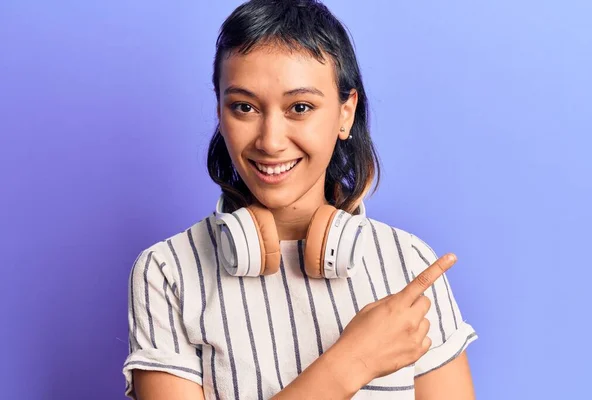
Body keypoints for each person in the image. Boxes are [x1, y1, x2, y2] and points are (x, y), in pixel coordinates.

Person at [122, 0, 478, 398]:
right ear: (220, 113)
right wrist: (353, 361)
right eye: (244, 107)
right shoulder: (168, 272)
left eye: (300, 107)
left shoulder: (408, 263)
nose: (270, 141)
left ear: (345, 113)